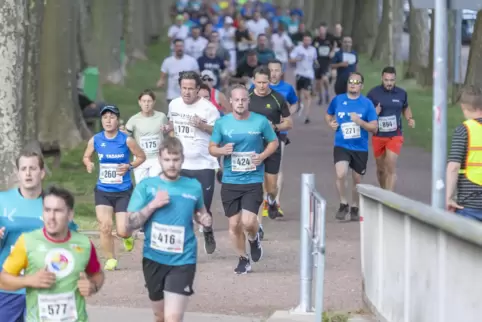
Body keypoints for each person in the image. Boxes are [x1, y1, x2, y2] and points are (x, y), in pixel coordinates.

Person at [124, 137, 212, 322]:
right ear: (160, 160)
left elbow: (200, 212)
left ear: (182, 159)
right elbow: (129, 224)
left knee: (173, 318)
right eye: (167, 160)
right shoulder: (147, 186)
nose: (171, 164)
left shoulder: (193, 186)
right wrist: (152, 205)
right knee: (160, 316)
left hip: (183, 259)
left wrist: (204, 218)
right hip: (153, 259)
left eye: (175, 159)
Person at [0, 186, 104, 322]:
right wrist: (29, 280)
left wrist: (93, 286)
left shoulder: (84, 244)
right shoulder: (27, 241)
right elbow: (3, 280)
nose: (51, 217)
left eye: (58, 211)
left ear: (70, 215)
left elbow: (97, 274)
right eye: (47, 210)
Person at [0, 151, 78, 322]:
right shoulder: (2, 201)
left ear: (42, 173)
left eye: (33, 168)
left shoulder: (55, 205)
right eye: (23, 169)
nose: (28, 173)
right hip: (9, 288)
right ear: (18, 173)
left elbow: (73, 246)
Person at [209, 84, 279, 274]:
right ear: (230, 102)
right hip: (230, 181)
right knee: (234, 224)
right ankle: (243, 258)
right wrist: (222, 150)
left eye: (243, 99)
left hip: (252, 179)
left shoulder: (260, 121)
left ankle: (254, 239)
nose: (240, 103)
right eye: (236, 100)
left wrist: (263, 156)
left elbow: (274, 141)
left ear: (248, 101)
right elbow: (212, 147)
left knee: (248, 222)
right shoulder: (222, 123)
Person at [82, 105, 146, 271]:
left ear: (117, 120)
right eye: (105, 118)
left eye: (111, 117)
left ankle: (127, 236)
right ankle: (110, 259)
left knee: (123, 230)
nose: (108, 121)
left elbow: (141, 156)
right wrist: (88, 163)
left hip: (123, 191)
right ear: (101, 121)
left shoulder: (126, 140)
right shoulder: (95, 139)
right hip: (103, 191)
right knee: (105, 226)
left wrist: (129, 166)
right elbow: (86, 155)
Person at [167, 71, 220, 253]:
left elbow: (218, 133)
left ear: (198, 89)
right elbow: (173, 125)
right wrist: (169, 131)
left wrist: (203, 126)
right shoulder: (174, 104)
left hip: (204, 165)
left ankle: (207, 229)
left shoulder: (209, 109)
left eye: (191, 89)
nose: (187, 92)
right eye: (184, 88)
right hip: (181, 165)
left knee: (202, 209)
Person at [325, 72, 378, 221]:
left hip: (360, 147)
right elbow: (328, 115)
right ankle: (343, 203)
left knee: (357, 179)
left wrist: (360, 122)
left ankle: (355, 206)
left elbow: (374, 128)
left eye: (356, 82)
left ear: (361, 85)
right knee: (340, 174)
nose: (353, 84)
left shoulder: (367, 104)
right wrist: (330, 123)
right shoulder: (338, 100)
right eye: (351, 81)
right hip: (342, 145)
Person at [248, 66, 292, 238]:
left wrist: (275, 126)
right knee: (258, 187)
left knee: (270, 186)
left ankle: (272, 200)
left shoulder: (277, 98)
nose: (261, 86)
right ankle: (259, 226)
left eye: (265, 82)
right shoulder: (247, 98)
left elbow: (289, 123)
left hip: (272, 145)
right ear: (253, 82)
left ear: (269, 81)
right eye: (258, 82)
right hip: (251, 147)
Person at [367, 67, 415, 191]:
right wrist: (374, 113)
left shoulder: (401, 93)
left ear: (395, 80)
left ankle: (389, 198)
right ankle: (384, 192)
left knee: (390, 165)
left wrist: (409, 118)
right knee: (381, 170)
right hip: (378, 135)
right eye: (386, 80)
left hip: (395, 135)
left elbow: (405, 107)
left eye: (392, 80)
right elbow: (365, 113)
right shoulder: (373, 93)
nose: (389, 83)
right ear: (382, 79)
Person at [446, 85, 482, 220]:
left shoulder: (464, 130)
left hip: (470, 205)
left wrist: (448, 197)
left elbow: (453, 166)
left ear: (464, 107)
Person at [123, 90, 170, 184]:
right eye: (144, 101)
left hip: (157, 158)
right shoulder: (134, 119)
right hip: (140, 158)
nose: (146, 104)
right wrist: (121, 131)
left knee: (155, 186)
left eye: (149, 101)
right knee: (142, 187)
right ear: (139, 102)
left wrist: (167, 130)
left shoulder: (161, 117)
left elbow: (167, 132)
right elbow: (126, 136)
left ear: (154, 102)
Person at [157, 39, 200, 105]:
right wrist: (161, 82)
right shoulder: (167, 61)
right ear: (174, 48)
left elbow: (198, 76)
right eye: (177, 46)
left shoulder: (191, 61)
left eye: (181, 46)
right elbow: (162, 77)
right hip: (172, 95)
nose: (179, 48)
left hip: (188, 95)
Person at [289, 33, 317, 124]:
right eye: (305, 40)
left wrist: (317, 65)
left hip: (309, 75)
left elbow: (315, 60)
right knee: (298, 94)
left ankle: (307, 116)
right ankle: (299, 105)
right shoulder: (298, 49)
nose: (307, 42)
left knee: (307, 95)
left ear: (311, 41)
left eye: (308, 40)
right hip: (299, 74)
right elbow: (291, 59)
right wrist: (298, 59)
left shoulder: (313, 50)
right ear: (302, 40)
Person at [312, 23, 334, 105]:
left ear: (325, 30)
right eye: (320, 30)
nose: (321, 31)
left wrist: (332, 52)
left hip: (327, 62)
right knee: (318, 82)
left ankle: (327, 93)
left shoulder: (330, 38)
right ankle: (321, 96)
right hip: (318, 62)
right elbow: (312, 49)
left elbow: (334, 47)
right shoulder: (316, 40)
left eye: (323, 30)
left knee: (324, 79)